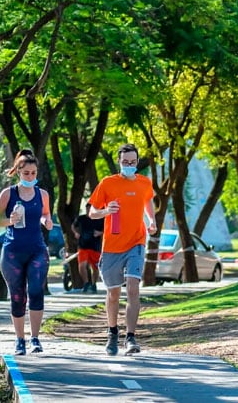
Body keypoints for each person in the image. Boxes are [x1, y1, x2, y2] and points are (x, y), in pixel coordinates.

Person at [88, 143, 157, 356]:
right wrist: (107, 210)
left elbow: (148, 202)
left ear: (137, 163)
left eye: (133, 162)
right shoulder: (108, 183)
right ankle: (112, 333)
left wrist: (152, 221)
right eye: (126, 162)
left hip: (136, 242)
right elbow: (92, 212)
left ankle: (131, 337)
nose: (129, 165)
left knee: (134, 287)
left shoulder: (145, 183)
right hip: (112, 246)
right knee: (113, 293)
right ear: (119, 162)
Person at [0, 149, 53, 355]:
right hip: (12, 252)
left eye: (34, 173)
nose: (30, 177)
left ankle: (35, 338)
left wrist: (47, 221)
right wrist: (9, 221)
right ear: (18, 172)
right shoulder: (9, 194)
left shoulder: (42, 194)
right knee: (17, 296)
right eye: (26, 173)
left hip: (37, 249)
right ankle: (20, 340)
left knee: (36, 291)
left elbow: (45, 214)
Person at [71, 203, 104, 293]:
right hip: (83, 246)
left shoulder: (100, 219)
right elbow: (73, 226)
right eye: (87, 209)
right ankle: (86, 283)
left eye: (90, 209)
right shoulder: (81, 218)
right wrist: (76, 233)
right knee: (82, 265)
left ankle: (93, 284)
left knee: (95, 268)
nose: (88, 211)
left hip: (95, 247)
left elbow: (106, 230)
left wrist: (100, 233)